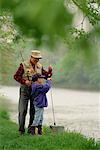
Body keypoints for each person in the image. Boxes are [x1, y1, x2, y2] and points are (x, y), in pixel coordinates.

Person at [13, 50, 52, 134]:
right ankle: (21, 130)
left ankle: (31, 130)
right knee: (22, 110)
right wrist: (24, 82)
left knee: (33, 111)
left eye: (38, 58)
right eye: (35, 58)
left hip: (36, 91)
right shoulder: (23, 65)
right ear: (31, 57)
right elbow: (16, 76)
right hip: (25, 90)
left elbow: (46, 75)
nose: (37, 60)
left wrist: (50, 71)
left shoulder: (39, 66)